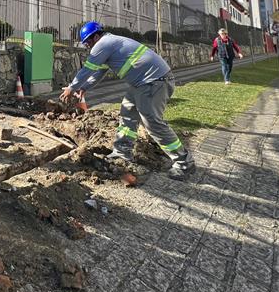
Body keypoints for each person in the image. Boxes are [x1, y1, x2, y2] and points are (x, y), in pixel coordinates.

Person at [59, 21, 195, 180]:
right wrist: (84, 87)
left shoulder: (103, 43)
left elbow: (87, 69)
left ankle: (184, 162)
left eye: (88, 41)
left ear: (97, 36)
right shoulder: (110, 44)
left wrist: (72, 87)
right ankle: (122, 152)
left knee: (152, 122)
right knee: (128, 112)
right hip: (143, 83)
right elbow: (97, 73)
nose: (88, 46)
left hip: (154, 81)